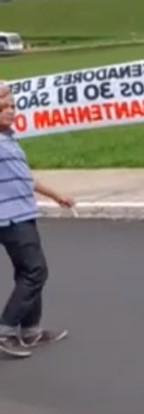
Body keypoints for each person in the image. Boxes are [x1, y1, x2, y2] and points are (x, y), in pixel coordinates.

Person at [0, 90, 76, 359]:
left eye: (12, 106)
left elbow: (26, 179)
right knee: (35, 272)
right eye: (3, 107)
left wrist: (56, 196)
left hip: (22, 212)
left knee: (26, 272)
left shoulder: (9, 139)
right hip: (9, 218)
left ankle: (30, 330)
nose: (10, 110)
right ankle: (6, 330)